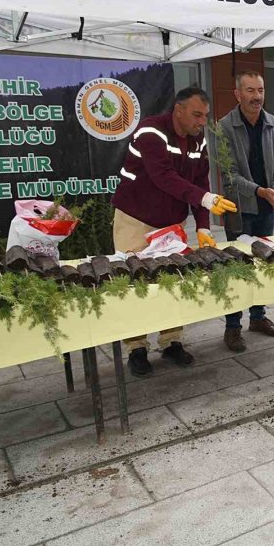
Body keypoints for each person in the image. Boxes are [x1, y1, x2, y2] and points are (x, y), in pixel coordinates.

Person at [111, 86, 237, 377]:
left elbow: (201, 181)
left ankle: (171, 342)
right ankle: (136, 348)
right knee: (135, 284)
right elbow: (163, 177)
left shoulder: (197, 140)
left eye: (205, 116)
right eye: (196, 115)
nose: (201, 122)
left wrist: (203, 225)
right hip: (135, 220)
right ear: (178, 110)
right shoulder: (150, 132)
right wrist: (206, 199)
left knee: (174, 281)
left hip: (171, 224)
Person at [207, 70, 274, 351]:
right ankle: (232, 326)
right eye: (250, 90)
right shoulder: (224, 127)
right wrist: (259, 191)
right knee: (237, 267)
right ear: (238, 94)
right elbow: (229, 175)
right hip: (239, 210)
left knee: (263, 263)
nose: (257, 96)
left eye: (261, 90)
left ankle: (258, 317)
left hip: (267, 209)